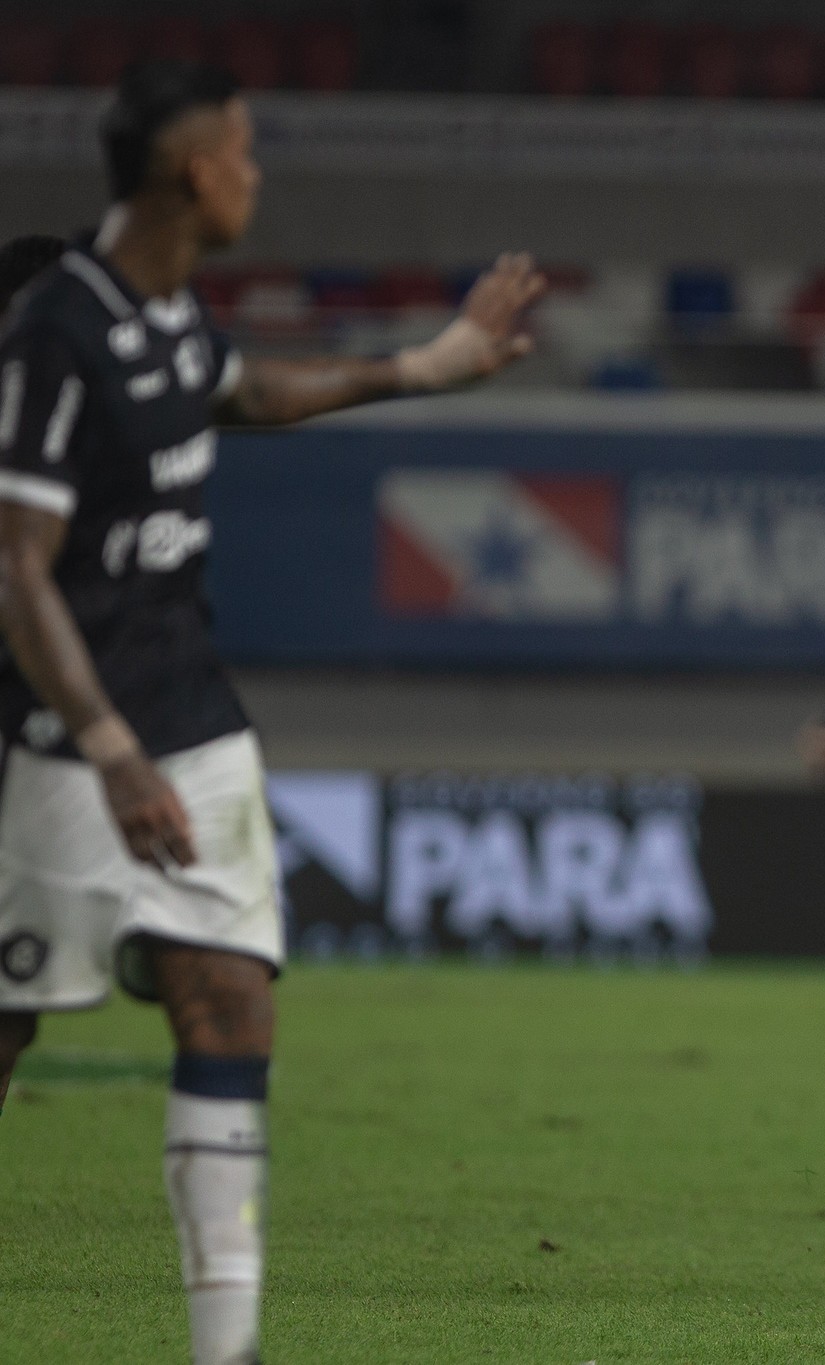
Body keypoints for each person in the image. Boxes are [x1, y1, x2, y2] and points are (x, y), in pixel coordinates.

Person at [0, 60, 542, 1365]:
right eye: (243, 153)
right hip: (62, 741)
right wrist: (109, 747)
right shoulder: (58, 330)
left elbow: (247, 394)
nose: (256, 174)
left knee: (232, 1009)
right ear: (195, 172)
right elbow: (16, 566)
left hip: (192, 713)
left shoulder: (170, 317)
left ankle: (227, 1349)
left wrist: (426, 366)